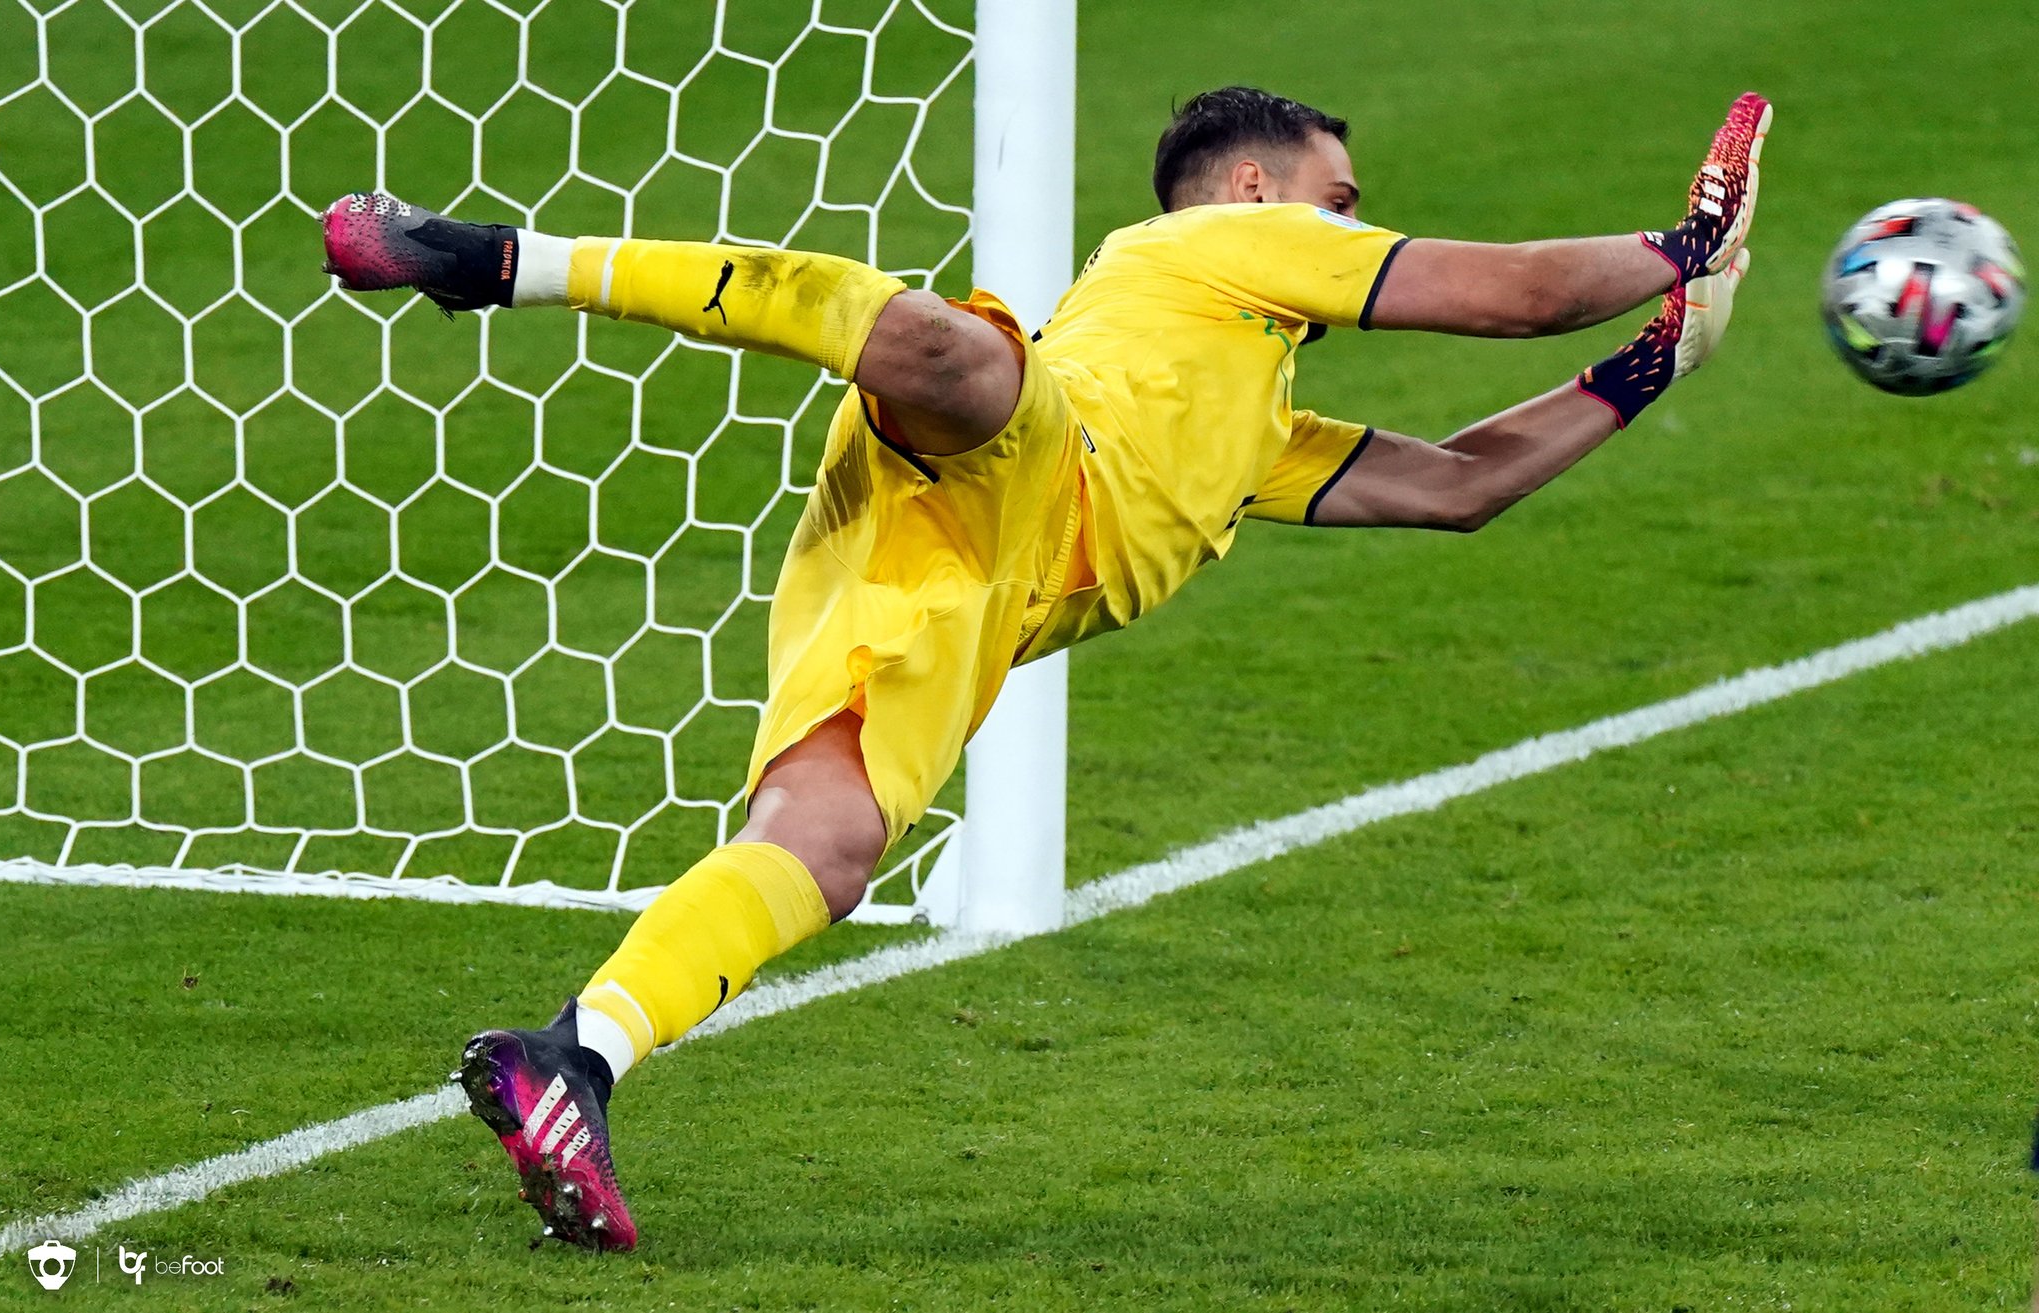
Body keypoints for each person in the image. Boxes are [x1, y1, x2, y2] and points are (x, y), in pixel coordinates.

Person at [320, 85, 1770, 1251]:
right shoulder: (1199, 247)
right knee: (942, 350)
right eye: (1342, 200)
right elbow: (1508, 295)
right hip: (1025, 448)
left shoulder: (1254, 416)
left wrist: (1655, 364)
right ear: (1257, 195)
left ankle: (575, 1057)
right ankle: (494, 261)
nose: (1355, 226)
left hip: (963, 584)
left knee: (822, 850)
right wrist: (1681, 246)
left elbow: (1460, 483)